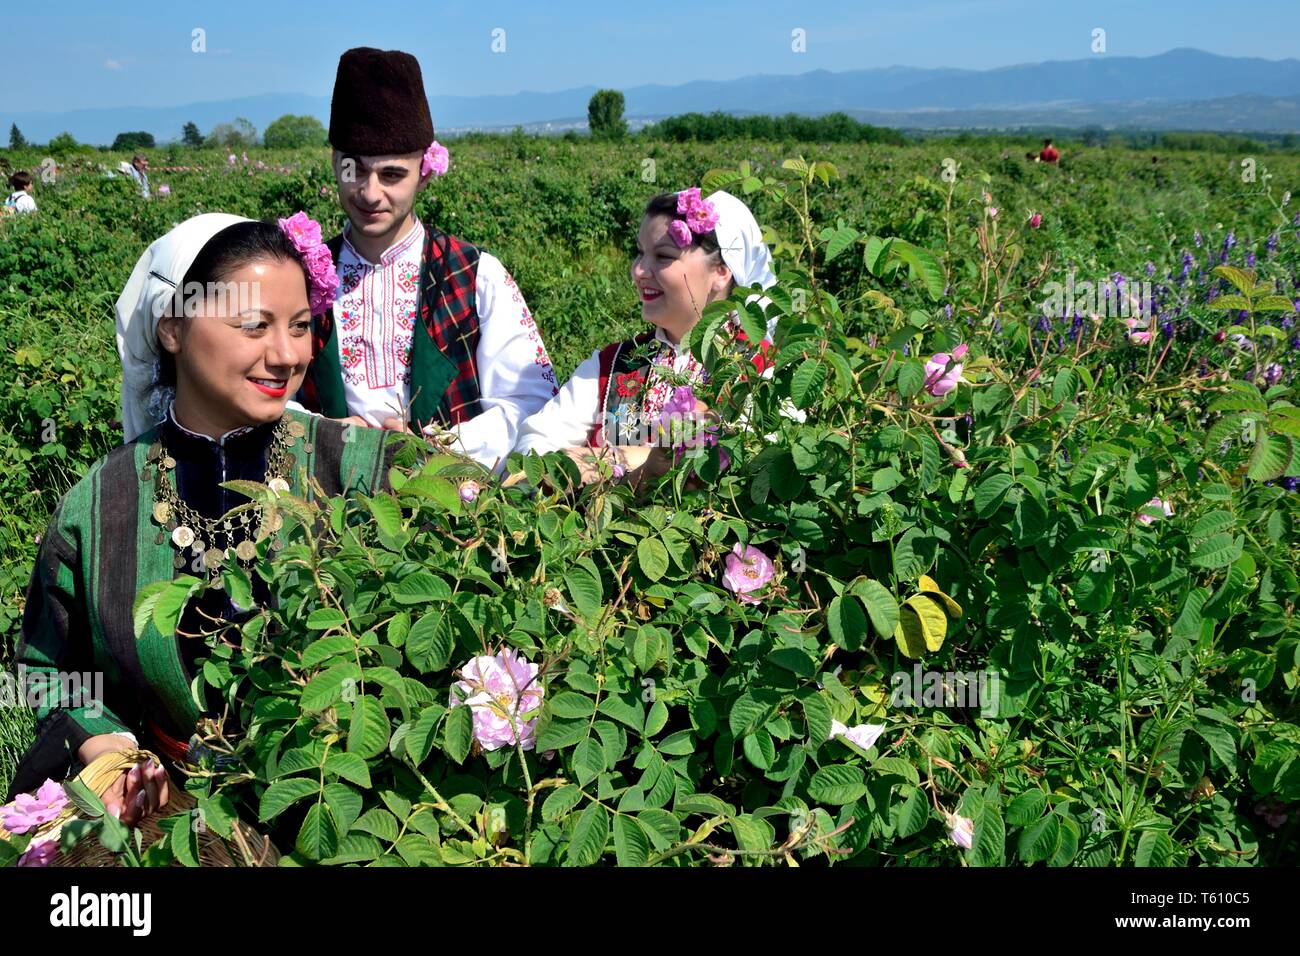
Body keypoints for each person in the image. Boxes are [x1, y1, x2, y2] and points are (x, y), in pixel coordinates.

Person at [6, 213, 394, 830]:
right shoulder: (101, 504)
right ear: (173, 330)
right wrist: (110, 755)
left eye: (299, 327)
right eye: (253, 326)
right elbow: (50, 668)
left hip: (351, 808)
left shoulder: (358, 464)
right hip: (169, 815)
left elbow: (488, 514)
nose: (286, 355)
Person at [292, 47, 559, 476]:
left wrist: (438, 446)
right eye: (353, 170)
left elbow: (532, 404)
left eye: (392, 175)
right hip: (324, 510)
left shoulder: (475, 275)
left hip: (451, 510)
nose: (369, 192)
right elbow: (257, 393)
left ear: (425, 170)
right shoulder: (302, 275)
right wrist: (321, 433)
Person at [513, 188, 778, 485]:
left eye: (663, 256)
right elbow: (532, 449)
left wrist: (609, 460)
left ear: (720, 271)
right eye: (640, 252)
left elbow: (757, 464)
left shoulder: (761, 367)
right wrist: (637, 463)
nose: (638, 270)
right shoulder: (614, 363)